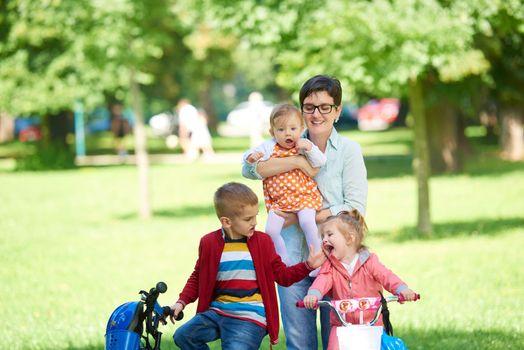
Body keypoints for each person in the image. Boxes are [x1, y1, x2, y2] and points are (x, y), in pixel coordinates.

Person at [242, 74, 368, 350]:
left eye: (325, 107)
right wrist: (298, 162)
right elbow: (249, 168)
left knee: (339, 340)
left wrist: (314, 215)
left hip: (336, 261)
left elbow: (355, 207)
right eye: (309, 107)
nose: (316, 113)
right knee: (299, 344)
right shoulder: (287, 142)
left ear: (336, 111)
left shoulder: (349, 150)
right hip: (291, 260)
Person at [169, 182, 326, 349]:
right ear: (226, 222)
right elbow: (198, 277)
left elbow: (282, 276)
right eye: (248, 219)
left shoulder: (263, 242)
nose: (255, 222)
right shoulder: (209, 243)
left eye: (255, 216)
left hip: (249, 316)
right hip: (217, 312)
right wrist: (181, 302)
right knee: (183, 336)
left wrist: (308, 265)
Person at [302, 210, 417, 350]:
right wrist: (313, 295)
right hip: (341, 325)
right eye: (322, 236)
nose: (324, 240)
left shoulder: (369, 261)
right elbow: (322, 281)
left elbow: (386, 276)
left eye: (330, 234)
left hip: (372, 323)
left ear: (349, 239)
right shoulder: (330, 266)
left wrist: (402, 290)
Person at [243, 103, 326, 268]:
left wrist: (309, 148)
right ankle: (284, 261)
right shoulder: (268, 146)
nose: (288, 133)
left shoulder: (303, 145)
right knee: (271, 231)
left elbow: (320, 161)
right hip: (280, 202)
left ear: (301, 128)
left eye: (293, 128)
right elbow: (247, 157)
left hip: (304, 196)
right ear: (272, 132)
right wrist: (252, 158)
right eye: (281, 130)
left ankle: (318, 257)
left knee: (307, 222)